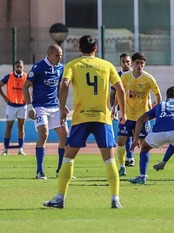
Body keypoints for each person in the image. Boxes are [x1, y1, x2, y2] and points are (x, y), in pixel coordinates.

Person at [43, 35, 126, 209]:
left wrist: (62, 108)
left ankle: (60, 198)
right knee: (109, 159)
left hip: (81, 118)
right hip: (102, 118)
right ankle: (115, 199)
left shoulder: (72, 65)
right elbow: (120, 89)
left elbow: (64, 84)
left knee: (68, 156)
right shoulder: (107, 65)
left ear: (79, 49)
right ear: (96, 48)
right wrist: (121, 112)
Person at [22, 45, 68, 180]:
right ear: (49, 55)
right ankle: (39, 171)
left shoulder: (60, 68)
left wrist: (62, 105)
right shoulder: (39, 67)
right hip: (39, 106)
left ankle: (60, 170)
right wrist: (30, 108)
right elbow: (25, 88)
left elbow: (58, 89)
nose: (60, 58)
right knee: (44, 134)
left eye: (61, 55)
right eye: (57, 55)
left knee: (65, 135)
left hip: (54, 107)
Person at [115, 52, 161, 177]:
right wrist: (115, 108)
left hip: (142, 117)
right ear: (133, 64)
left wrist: (157, 110)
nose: (140, 65)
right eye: (137, 63)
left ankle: (142, 173)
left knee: (144, 144)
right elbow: (119, 92)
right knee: (120, 141)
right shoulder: (125, 77)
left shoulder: (148, 78)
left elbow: (157, 94)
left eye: (142, 63)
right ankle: (122, 166)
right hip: (127, 115)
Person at [110, 53, 135, 167]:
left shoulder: (135, 74)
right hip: (122, 109)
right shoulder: (118, 75)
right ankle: (129, 158)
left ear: (131, 62)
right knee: (125, 134)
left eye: (128, 61)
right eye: (123, 62)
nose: (126, 64)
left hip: (136, 108)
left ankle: (130, 157)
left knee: (135, 134)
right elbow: (113, 92)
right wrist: (113, 108)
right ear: (120, 63)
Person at [0, 60, 27, 156]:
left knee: (21, 127)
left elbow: (35, 87)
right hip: (11, 106)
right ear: (14, 67)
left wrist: (30, 97)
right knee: (9, 126)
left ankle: (20, 149)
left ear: (23, 67)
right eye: (17, 67)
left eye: (20, 67)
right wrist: (4, 97)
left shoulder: (26, 77)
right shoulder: (9, 76)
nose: (19, 68)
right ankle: (5, 149)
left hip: (22, 106)